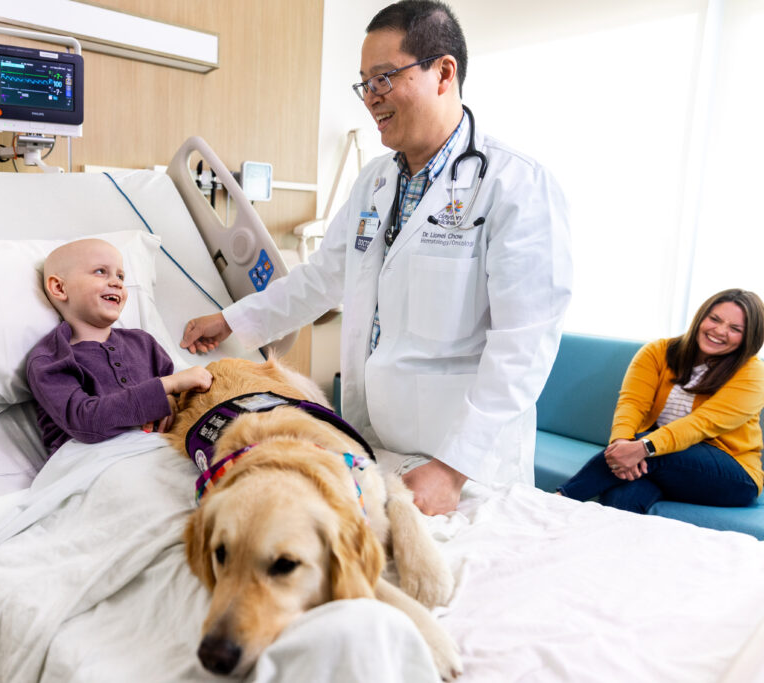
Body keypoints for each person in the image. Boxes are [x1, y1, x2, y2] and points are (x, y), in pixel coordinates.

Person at [180, 1, 572, 515]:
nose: (370, 98)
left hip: (463, 467)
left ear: (443, 72)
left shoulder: (515, 184)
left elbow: (523, 346)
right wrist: (232, 320)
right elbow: (321, 279)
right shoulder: (375, 183)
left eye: (384, 78)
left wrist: (454, 468)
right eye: (363, 83)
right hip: (374, 446)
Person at [558, 289, 764, 512]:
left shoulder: (752, 373)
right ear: (701, 317)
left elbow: (702, 423)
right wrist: (621, 442)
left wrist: (643, 447)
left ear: (748, 337)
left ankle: (557, 501)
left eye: (735, 329)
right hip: (666, 467)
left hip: (732, 476)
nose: (720, 331)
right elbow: (632, 403)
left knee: (654, 450)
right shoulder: (657, 351)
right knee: (621, 496)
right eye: (714, 319)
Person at [28, 238, 212, 455]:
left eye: (121, 276)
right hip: (90, 459)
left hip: (157, 449)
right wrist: (166, 387)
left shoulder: (144, 344)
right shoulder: (50, 359)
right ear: (59, 287)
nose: (116, 282)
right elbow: (84, 422)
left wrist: (171, 399)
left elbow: (175, 393)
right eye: (100, 271)